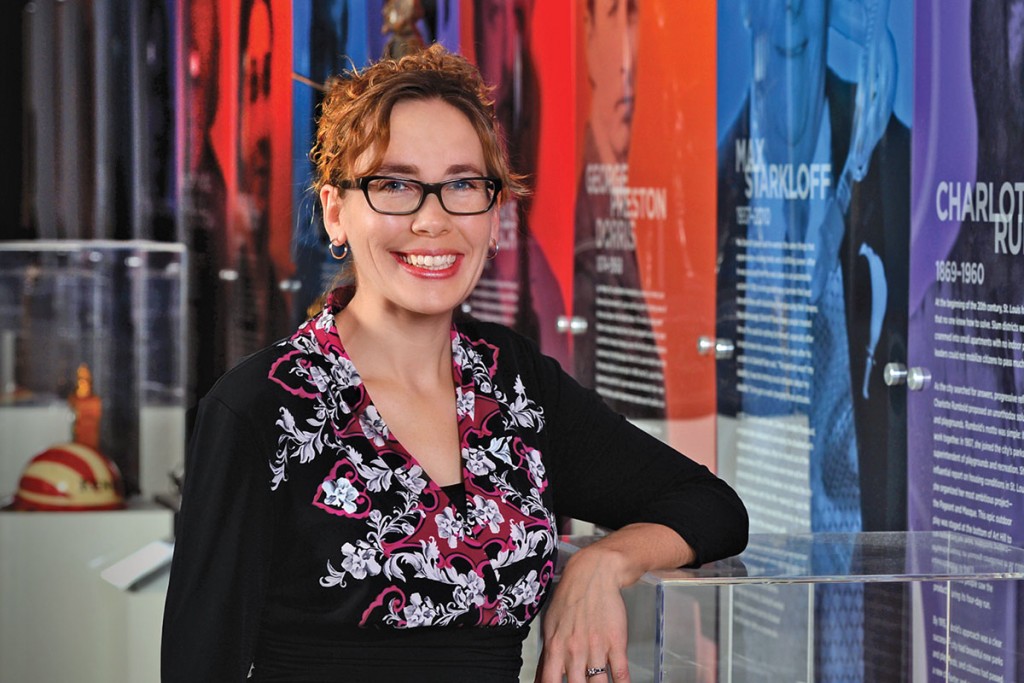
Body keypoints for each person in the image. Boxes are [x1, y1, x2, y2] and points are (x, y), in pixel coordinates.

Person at [161, 44, 747, 683]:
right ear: (336, 212)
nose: (432, 220)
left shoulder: (514, 385)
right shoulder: (262, 408)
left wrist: (603, 563)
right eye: (395, 185)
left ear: (494, 214)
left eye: (463, 185)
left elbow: (710, 505)